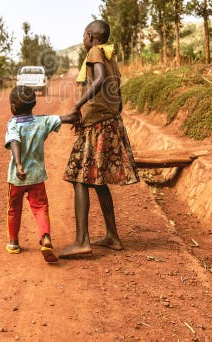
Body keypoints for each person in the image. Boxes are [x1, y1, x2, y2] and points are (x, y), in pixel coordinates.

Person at [60, 20, 139, 258]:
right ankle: (113, 236)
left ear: (90, 36)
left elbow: (100, 80)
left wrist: (78, 105)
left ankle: (82, 241)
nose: (83, 39)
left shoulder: (95, 52)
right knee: (98, 181)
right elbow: (117, 94)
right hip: (109, 122)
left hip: (98, 125)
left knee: (79, 178)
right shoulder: (110, 56)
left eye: (84, 34)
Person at [5, 85, 78, 263]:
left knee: (14, 209)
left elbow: (14, 141)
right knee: (40, 208)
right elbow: (65, 118)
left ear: (13, 107)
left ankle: (13, 242)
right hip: (37, 177)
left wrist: (19, 164)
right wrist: (76, 114)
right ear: (33, 104)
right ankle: (45, 239)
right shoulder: (42, 121)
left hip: (17, 177)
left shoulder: (13, 124)